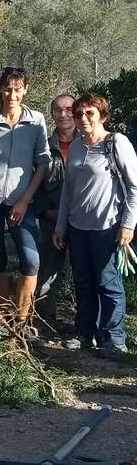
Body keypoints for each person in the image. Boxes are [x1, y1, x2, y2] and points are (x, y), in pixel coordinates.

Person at [54, 92, 137, 357]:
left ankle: (115, 338)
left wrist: (128, 225)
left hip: (107, 227)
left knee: (107, 282)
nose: (82, 118)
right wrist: (60, 226)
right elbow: (68, 191)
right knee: (83, 282)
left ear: (102, 115)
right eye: (79, 114)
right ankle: (85, 333)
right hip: (78, 227)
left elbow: (134, 188)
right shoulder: (77, 146)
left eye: (89, 113)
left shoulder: (117, 143)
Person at [0, 67, 50, 324]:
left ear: (25, 90)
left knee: (31, 259)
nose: (12, 94)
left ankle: (21, 320)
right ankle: (3, 316)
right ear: (0, 89)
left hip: (22, 200)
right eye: (8, 89)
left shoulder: (36, 120)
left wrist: (25, 199)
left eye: (18, 89)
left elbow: (43, 162)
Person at [34, 93, 76, 327]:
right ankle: (44, 322)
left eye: (69, 109)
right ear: (51, 115)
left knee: (87, 274)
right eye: (58, 110)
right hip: (51, 220)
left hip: (84, 223)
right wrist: (44, 212)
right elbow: (33, 186)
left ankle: (87, 325)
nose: (64, 114)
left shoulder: (91, 144)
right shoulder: (43, 148)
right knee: (47, 274)